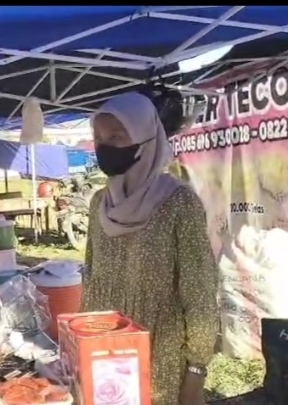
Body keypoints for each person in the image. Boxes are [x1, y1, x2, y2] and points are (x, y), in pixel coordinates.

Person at [80, 92, 218, 405]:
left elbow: (199, 291)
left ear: (145, 138)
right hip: (104, 353)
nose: (105, 146)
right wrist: (81, 343)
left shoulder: (179, 203)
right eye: (99, 138)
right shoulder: (99, 203)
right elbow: (91, 278)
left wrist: (196, 369)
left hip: (160, 358)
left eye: (116, 136)